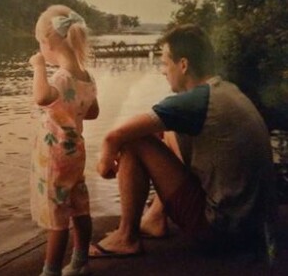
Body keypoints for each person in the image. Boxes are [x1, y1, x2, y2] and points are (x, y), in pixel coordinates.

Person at [91, 24, 276, 257]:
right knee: (166, 132)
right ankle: (155, 219)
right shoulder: (226, 90)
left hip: (223, 230)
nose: (162, 71)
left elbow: (114, 136)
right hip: (253, 225)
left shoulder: (194, 101)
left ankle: (125, 237)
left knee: (135, 140)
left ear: (184, 65)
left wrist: (105, 163)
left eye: (165, 63)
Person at [29, 5, 100, 276]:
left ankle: (51, 271)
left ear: (47, 43)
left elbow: (42, 97)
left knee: (56, 216)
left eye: (40, 45)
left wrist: (38, 68)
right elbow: (93, 112)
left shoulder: (61, 76)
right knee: (79, 203)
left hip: (55, 156)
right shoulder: (85, 76)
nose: (40, 51)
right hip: (76, 152)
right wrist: (75, 109)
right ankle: (81, 260)